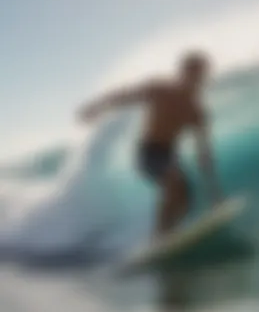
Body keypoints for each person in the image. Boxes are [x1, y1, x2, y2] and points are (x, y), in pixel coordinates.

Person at [78, 51, 222, 238]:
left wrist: (215, 192)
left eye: (201, 73)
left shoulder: (197, 111)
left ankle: (171, 235)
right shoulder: (160, 89)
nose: (196, 78)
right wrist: (96, 107)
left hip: (170, 154)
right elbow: (125, 96)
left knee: (184, 198)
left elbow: (204, 154)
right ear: (183, 72)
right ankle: (159, 236)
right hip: (149, 152)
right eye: (192, 72)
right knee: (172, 180)